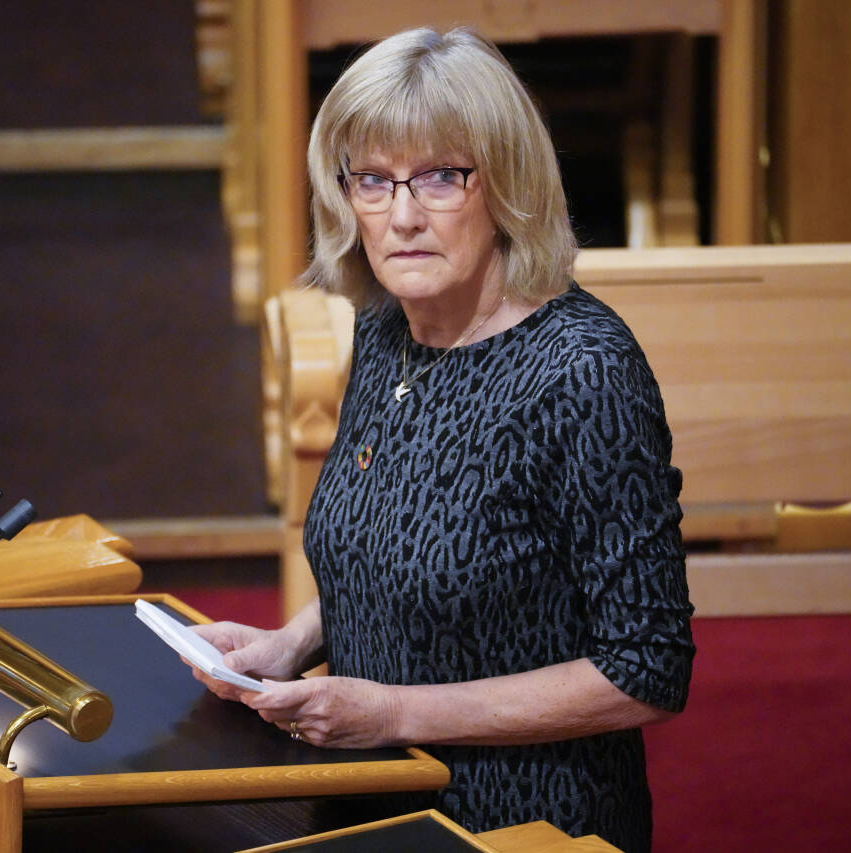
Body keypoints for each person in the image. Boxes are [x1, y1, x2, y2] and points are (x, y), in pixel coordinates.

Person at [189, 26, 694, 852]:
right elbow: (401, 552)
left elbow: (646, 669)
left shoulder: (582, 371)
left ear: (507, 185)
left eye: (440, 178)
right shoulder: (390, 330)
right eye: (375, 182)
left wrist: (397, 711)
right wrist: (289, 645)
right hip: (372, 792)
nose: (403, 216)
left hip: (523, 820)